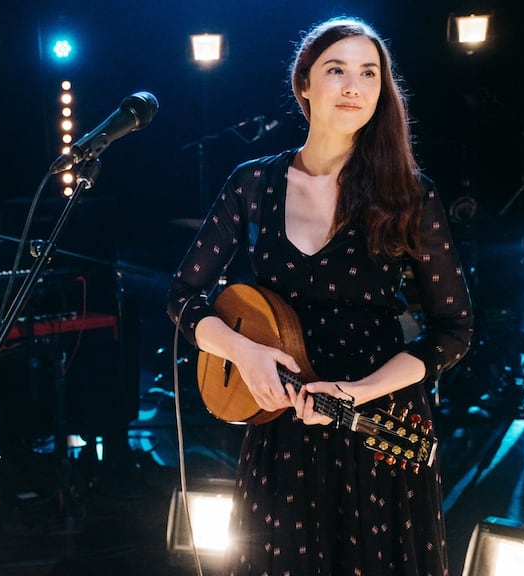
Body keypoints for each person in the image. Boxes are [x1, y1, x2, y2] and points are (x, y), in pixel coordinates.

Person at [166, 17, 473, 575]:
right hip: (281, 428)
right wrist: (245, 352)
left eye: (368, 73)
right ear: (303, 84)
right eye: (337, 70)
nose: (354, 86)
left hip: (377, 424)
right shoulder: (252, 184)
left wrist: (362, 391)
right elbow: (184, 296)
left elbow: (454, 331)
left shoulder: (409, 194)